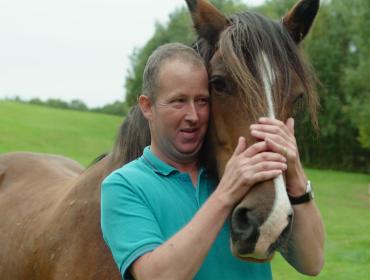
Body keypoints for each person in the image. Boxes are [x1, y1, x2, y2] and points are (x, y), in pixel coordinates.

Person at [101, 43, 325, 280]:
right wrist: (224, 196)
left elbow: (312, 263)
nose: (193, 116)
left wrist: (296, 176)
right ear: (147, 107)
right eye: (179, 101)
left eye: (202, 101)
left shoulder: (238, 171)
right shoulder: (123, 186)